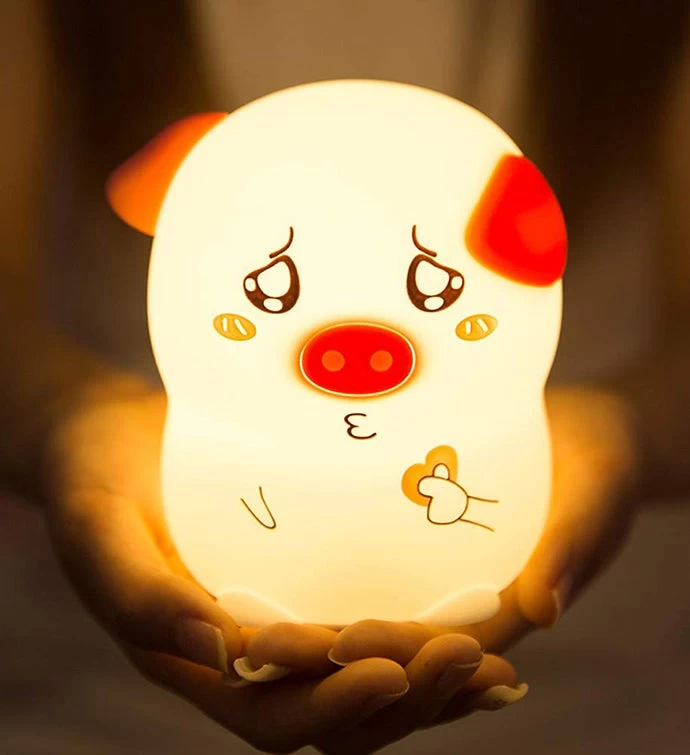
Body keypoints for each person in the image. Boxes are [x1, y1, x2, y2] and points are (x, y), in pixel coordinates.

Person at [1, 2, 689, 753]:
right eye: (274, 289)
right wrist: (65, 414)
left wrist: (626, 431)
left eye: (433, 287)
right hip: (91, 709)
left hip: (603, 707)